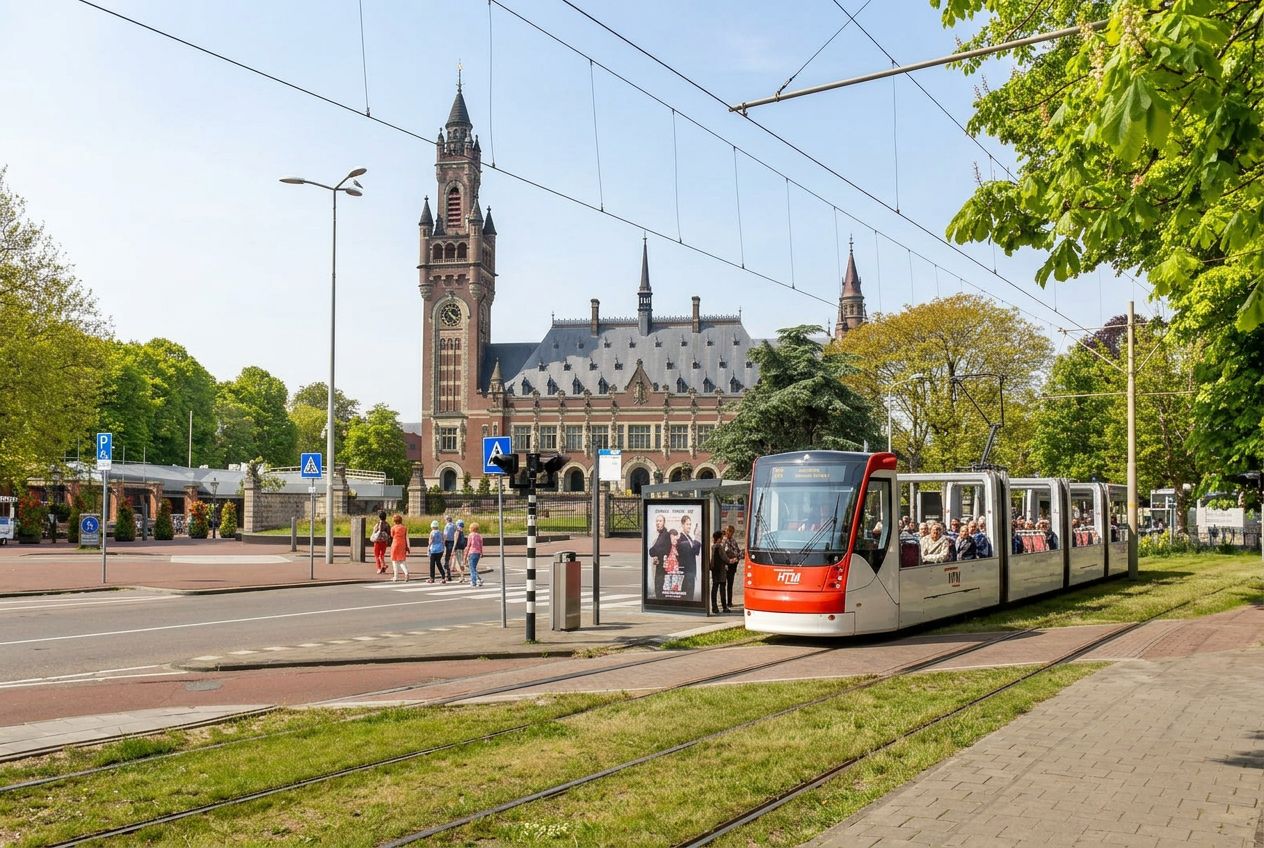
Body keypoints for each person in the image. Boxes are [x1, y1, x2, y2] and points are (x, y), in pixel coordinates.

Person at [676, 513, 701, 601]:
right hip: (686, 572)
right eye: (687, 524)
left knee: (690, 594)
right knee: (687, 595)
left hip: (691, 572)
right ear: (682, 525)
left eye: (690, 524)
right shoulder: (681, 538)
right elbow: (693, 551)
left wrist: (696, 538)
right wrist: (697, 537)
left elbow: (696, 552)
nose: (689, 526)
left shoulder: (689, 537)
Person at [647, 513, 672, 599]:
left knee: (659, 586)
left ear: (664, 523)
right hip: (659, 565)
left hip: (662, 566)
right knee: (658, 585)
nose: (658, 523)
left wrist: (655, 552)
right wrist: (654, 551)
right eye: (657, 521)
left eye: (660, 521)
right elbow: (651, 551)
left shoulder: (665, 534)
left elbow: (658, 549)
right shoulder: (660, 534)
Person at [721, 524, 741, 613]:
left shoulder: (733, 540)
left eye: (731, 532)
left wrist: (738, 555)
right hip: (726, 564)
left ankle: (729, 601)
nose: (729, 533)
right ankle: (723, 603)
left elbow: (737, 550)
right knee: (723, 584)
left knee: (730, 584)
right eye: (728, 531)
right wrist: (735, 555)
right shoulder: (723, 541)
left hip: (733, 565)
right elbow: (726, 551)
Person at [709, 530, 727, 614]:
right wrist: (732, 560)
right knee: (722, 588)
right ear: (719, 538)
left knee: (714, 588)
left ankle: (714, 607)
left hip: (714, 570)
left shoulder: (712, 546)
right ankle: (724, 607)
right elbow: (725, 558)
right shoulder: (719, 547)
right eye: (722, 537)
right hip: (721, 570)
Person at [389, 514, 410, 582]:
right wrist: (408, 547)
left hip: (395, 544)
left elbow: (392, 535)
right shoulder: (404, 528)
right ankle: (406, 573)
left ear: (394, 521)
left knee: (394, 561)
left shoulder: (393, 528)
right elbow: (407, 537)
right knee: (402, 561)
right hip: (402, 545)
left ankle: (396, 577)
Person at [467, 521, 484, 586]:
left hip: (472, 552)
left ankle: (474, 581)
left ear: (472, 528)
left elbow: (468, 545)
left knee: (472, 568)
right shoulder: (479, 536)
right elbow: (481, 545)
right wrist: (481, 553)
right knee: (473, 567)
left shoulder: (470, 535)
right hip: (478, 553)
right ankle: (479, 580)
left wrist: (465, 555)